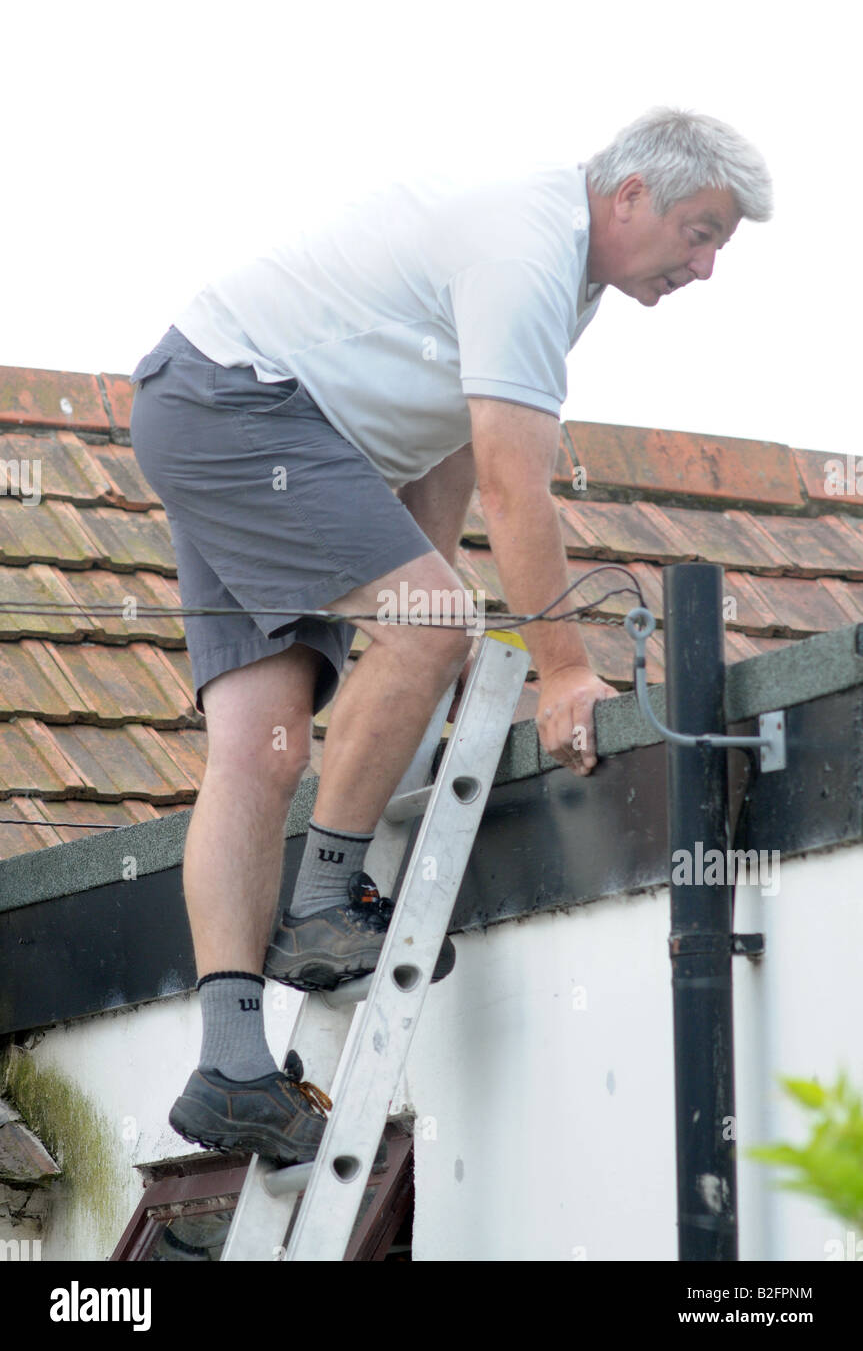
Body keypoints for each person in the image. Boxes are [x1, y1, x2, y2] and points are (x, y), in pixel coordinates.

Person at [128, 106, 773, 1164]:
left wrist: (417, 610)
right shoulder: (529, 251)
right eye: (698, 233)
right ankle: (326, 903)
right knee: (436, 627)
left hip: (206, 403)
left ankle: (230, 1066)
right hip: (246, 408)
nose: (702, 267)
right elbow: (516, 484)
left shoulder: (558, 272)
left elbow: (448, 452)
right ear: (628, 198)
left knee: (260, 738)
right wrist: (561, 669)